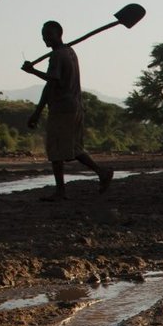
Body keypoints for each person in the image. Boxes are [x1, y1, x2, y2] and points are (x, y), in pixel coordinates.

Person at [21, 20, 113, 201]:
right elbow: (50, 85)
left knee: (56, 150)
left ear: (59, 34)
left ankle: (61, 191)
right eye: (43, 34)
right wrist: (38, 111)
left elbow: (53, 81)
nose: (45, 38)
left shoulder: (58, 56)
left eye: (48, 34)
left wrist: (32, 71)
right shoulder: (69, 52)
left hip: (63, 109)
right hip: (74, 106)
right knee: (74, 148)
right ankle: (101, 172)